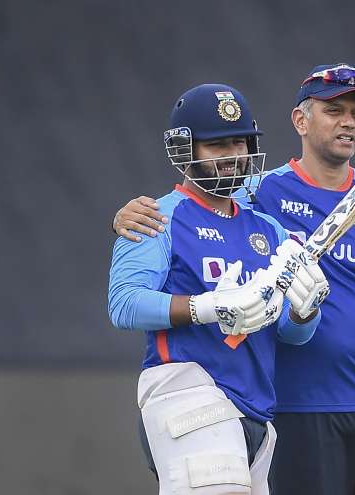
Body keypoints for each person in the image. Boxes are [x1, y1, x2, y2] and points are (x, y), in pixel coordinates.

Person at [113, 65, 355, 494]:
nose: (347, 122)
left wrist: (305, 311)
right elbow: (187, 215)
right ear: (300, 121)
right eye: (334, 110)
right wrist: (129, 221)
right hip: (267, 402)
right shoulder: (254, 196)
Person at [108, 83, 329, 495]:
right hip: (188, 391)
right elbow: (124, 304)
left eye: (239, 143)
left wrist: (306, 310)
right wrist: (207, 306)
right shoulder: (157, 216)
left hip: (257, 408)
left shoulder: (269, 229)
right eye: (216, 145)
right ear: (185, 150)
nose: (232, 155)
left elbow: (291, 333)